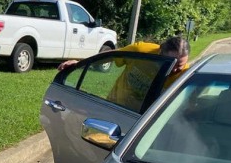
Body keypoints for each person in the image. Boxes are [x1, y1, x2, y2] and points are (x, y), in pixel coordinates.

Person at [58, 36, 191, 112]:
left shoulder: (187, 77)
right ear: (160, 51)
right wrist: (80, 63)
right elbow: (111, 56)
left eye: (179, 66)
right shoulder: (141, 50)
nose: (173, 70)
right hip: (114, 108)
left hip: (143, 123)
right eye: (170, 64)